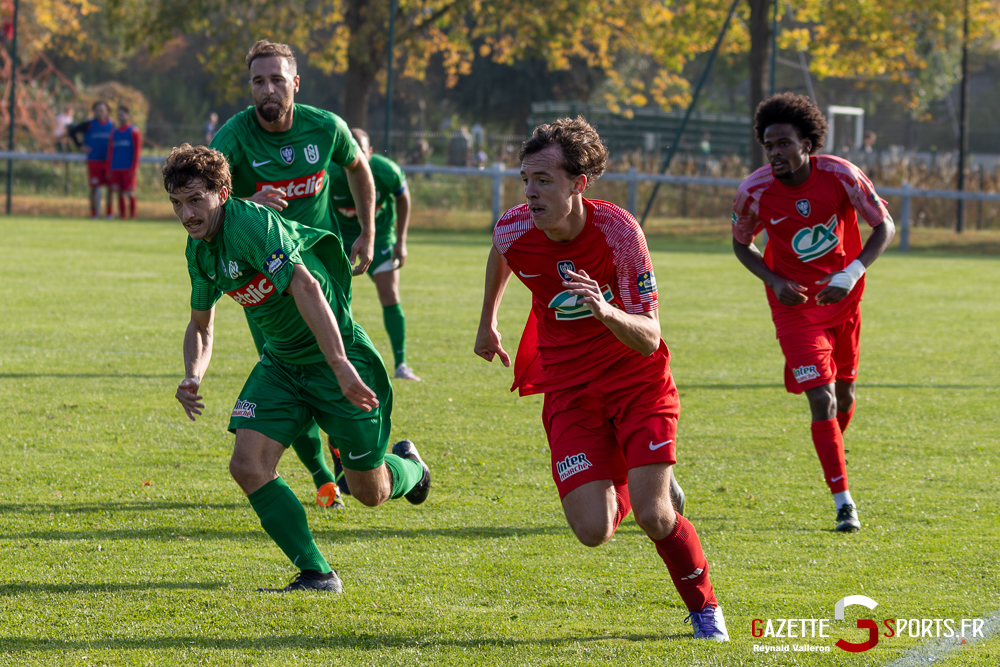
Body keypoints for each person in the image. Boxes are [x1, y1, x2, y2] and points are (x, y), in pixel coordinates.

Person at [475, 117, 728, 642]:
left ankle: (705, 611)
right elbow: (502, 251)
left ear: (578, 183)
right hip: (569, 392)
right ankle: (635, 478)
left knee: (657, 517)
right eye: (526, 179)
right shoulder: (515, 226)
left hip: (638, 384)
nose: (530, 192)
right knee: (592, 532)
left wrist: (604, 308)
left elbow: (650, 337)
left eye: (544, 180)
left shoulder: (619, 234)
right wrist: (487, 322)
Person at [166, 143, 430, 592]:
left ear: (223, 193)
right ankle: (317, 572)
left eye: (196, 200)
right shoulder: (199, 252)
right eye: (177, 203)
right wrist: (193, 373)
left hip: (337, 357)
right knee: (247, 465)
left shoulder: (249, 225)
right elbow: (200, 326)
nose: (187, 214)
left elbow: (307, 287)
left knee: (370, 493)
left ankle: (411, 469)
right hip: (283, 364)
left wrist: (341, 364)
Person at [210, 39, 378, 509]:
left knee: (329, 361)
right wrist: (242, 206)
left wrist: (367, 231)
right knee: (286, 368)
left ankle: (349, 450)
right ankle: (326, 475)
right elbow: (201, 193)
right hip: (261, 281)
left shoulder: (325, 127)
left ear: (295, 83)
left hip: (320, 275)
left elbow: (359, 169)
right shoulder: (234, 137)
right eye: (258, 81)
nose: (268, 89)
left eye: (277, 79)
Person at [731, 93, 895, 533]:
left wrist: (853, 270)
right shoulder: (754, 190)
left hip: (843, 300)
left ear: (807, 142)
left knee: (844, 397)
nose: (775, 152)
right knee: (820, 398)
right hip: (794, 309)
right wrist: (774, 280)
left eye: (784, 143)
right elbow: (740, 242)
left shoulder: (841, 176)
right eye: (769, 145)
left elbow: (885, 226)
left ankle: (833, 453)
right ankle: (844, 502)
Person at [329, 128, 419, 382]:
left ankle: (401, 364)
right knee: (333, 301)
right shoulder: (328, 174)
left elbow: (404, 197)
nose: (354, 156)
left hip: (379, 236)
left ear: (370, 152)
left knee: (389, 293)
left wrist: (401, 240)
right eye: (349, 150)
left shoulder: (385, 171)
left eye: (361, 151)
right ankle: (338, 361)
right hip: (341, 238)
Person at [69, 101, 114, 219]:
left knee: (110, 188)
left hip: (108, 162)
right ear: (94, 111)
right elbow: (72, 131)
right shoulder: (89, 124)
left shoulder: (112, 126)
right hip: (94, 160)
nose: (100, 112)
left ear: (107, 112)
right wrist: (80, 145)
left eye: (102, 110)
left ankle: (109, 214)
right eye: (97, 110)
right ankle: (94, 214)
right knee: (94, 187)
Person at [107, 105, 142, 220]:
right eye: (118, 114)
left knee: (130, 192)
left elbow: (137, 152)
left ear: (127, 115)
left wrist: (134, 168)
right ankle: (123, 217)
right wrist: (109, 168)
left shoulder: (133, 131)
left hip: (128, 168)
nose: (120, 116)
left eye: (122, 114)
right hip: (116, 167)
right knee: (120, 193)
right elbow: (111, 152)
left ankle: (132, 217)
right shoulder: (114, 132)